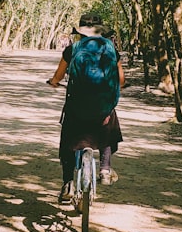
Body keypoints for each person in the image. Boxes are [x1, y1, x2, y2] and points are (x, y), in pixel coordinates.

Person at [47, 13, 126, 203]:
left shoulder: (72, 50)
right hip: (102, 108)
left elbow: (58, 76)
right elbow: (121, 80)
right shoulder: (111, 50)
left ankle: (67, 183)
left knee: (67, 138)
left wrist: (54, 82)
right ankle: (105, 169)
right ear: (101, 30)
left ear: (80, 31)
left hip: (77, 108)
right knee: (109, 121)